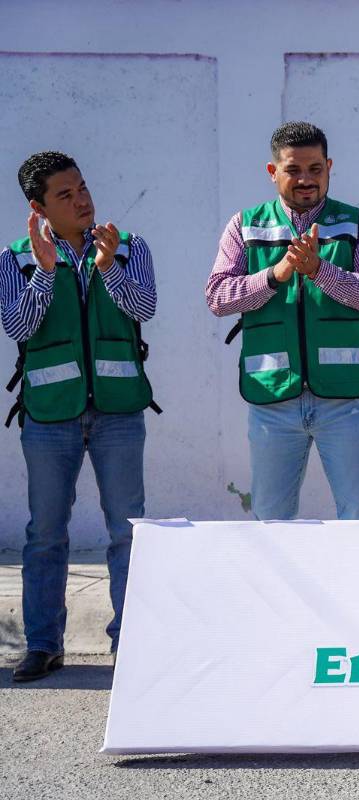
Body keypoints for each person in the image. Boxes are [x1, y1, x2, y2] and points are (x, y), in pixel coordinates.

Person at [2, 151, 158, 681]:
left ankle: (131, 643)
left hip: (119, 411)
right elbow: (19, 326)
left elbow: (143, 309)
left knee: (127, 532)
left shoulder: (128, 246)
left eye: (83, 188)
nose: (82, 200)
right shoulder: (15, 258)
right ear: (38, 206)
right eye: (65, 195)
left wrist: (109, 267)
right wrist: (45, 272)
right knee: (45, 533)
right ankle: (44, 645)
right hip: (49, 416)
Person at [206, 122, 359, 521]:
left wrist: (320, 270)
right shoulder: (246, 225)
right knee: (271, 520)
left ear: (329, 167)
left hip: (345, 400)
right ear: (273, 172)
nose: (306, 179)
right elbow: (218, 298)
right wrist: (276, 274)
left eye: (315, 169)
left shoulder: (356, 223)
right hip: (272, 398)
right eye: (293, 170)